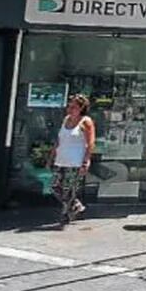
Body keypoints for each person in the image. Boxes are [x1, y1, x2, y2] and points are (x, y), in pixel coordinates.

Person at [48, 94, 95, 226]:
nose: (70, 109)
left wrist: (86, 161)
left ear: (81, 108)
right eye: (69, 106)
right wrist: (51, 157)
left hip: (75, 161)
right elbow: (59, 140)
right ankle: (75, 205)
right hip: (61, 159)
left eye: (73, 107)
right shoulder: (66, 119)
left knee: (68, 189)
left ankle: (66, 215)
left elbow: (90, 143)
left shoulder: (85, 121)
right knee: (54, 186)